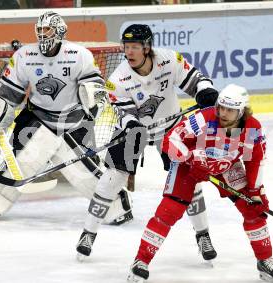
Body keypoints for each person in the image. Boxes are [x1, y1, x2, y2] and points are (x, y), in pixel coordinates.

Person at [0, 11, 131, 225]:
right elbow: (8, 93)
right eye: (40, 30)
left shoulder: (79, 54)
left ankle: (115, 207)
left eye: (47, 29)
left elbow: (95, 89)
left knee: (81, 171)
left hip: (72, 120)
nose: (43, 34)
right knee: (25, 159)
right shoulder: (24, 56)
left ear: (60, 31)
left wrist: (91, 106)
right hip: (37, 117)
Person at [76, 24, 220, 262]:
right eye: (126, 47)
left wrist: (206, 91)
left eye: (134, 47)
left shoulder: (169, 59)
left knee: (189, 178)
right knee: (112, 178)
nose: (128, 52)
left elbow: (196, 79)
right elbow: (123, 113)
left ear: (147, 47)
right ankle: (88, 233)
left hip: (171, 126)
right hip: (133, 130)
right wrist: (132, 123)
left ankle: (202, 235)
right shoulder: (118, 78)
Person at [128, 84, 273, 283]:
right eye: (221, 107)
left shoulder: (253, 128)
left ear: (242, 111)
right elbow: (171, 139)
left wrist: (255, 192)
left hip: (225, 165)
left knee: (253, 208)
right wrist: (189, 158)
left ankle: (265, 260)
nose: (222, 113)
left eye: (230, 110)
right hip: (192, 164)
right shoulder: (203, 118)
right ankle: (141, 261)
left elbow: (255, 160)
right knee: (168, 211)